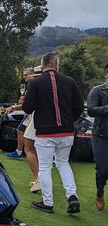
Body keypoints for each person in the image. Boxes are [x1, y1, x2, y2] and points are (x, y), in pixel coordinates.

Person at [22, 52, 84, 214]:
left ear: (42, 66)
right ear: (57, 65)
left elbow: (27, 108)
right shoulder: (69, 81)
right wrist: (68, 120)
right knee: (63, 163)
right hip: (66, 131)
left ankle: (48, 203)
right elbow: (78, 107)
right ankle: (72, 196)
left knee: (44, 167)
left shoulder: (35, 83)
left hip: (45, 132)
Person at [87, 63, 108, 211]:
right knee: (103, 170)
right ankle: (100, 193)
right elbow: (91, 110)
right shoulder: (97, 91)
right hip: (101, 135)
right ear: (106, 74)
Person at [5, 67, 35, 159]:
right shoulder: (29, 85)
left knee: (34, 136)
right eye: (23, 75)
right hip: (29, 114)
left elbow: (29, 104)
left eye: (26, 75)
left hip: (35, 114)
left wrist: (13, 107)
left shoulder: (34, 84)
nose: (24, 77)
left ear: (32, 74)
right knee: (20, 130)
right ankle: (19, 152)